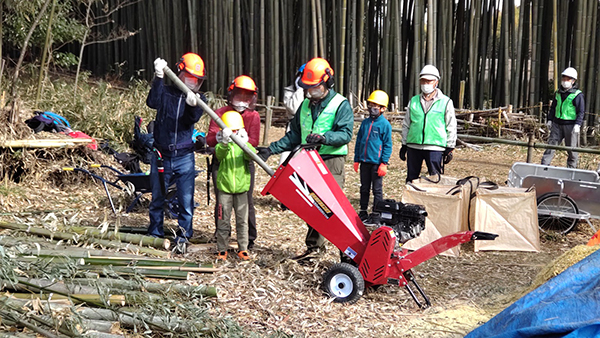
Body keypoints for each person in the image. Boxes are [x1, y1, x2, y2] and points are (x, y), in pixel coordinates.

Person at [256, 57, 354, 257]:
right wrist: (271, 149)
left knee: (331, 209)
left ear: (327, 82)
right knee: (314, 208)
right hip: (309, 161)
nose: (310, 91)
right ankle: (314, 249)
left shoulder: (340, 104)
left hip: (331, 161)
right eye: (308, 88)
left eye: (314, 87)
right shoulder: (305, 106)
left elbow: (345, 134)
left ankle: (348, 252)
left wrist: (324, 138)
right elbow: (294, 136)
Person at [146, 53, 205, 254]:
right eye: (189, 78)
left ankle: (183, 236)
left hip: (184, 157)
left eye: (196, 80)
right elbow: (152, 102)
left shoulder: (199, 99)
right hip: (161, 154)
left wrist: (192, 105)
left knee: (185, 201)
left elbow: (192, 120)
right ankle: (154, 234)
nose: (192, 83)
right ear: (179, 73)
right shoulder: (166, 93)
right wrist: (159, 76)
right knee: (157, 197)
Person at [206, 75, 260, 249]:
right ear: (231, 94)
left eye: (247, 97)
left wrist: (243, 141)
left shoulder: (253, 116)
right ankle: (222, 236)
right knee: (222, 201)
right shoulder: (220, 113)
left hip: (243, 163)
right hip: (222, 161)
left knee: (246, 201)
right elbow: (210, 139)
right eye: (239, 96)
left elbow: (254, 142)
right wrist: (220, 137)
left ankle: (249, 239)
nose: (243, 100)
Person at [399, 65, 457, 182]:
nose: (426, 84)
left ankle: (433, 200)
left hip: (435, 146)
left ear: (436, 82)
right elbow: (406, 124)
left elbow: (451, 125)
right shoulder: (414, 101)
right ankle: (410, 200)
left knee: (435, 179)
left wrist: (450, 147)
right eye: (423, 81)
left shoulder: (446, 102)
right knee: (411, 179)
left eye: (429, 81)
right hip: (413, 145)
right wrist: (404, 144)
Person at [214, 111, 256, 261]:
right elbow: (219, 155)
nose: (233, 132)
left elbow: (251, 156)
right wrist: (225, 142)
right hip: (224, 189)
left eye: (235, 130)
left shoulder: (243, 144)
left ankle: (243, 249)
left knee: (242, 220)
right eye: (229, 130)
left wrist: (245, 145)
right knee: (223, 219)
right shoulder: (221, 146)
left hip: (241, 189)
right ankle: (222, 249)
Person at [353, 90, 393, 226]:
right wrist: (356, 159)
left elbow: (388, 144)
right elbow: (359, 141)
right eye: (371, 105)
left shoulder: (385, 125)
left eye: (376, 105)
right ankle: (363, 211)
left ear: (383, 108)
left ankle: (376, 214)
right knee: (364, 188)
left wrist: (384, 163)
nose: (372, 108)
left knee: (377, 190)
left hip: (376, 163)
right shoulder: (365, 123)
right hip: (364, 162)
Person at [541, 67, 585, 169]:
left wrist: (578, 124)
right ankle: (544, 167)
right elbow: (553, 108)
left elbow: (581, 111)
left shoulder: (577, 95)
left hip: (570, 125)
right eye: (564, 78)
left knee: (572, 150)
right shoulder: (558, 93)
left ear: (573, 81)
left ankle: (571, 170)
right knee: (551, 146)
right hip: (557, 124)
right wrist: (550, 119)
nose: (565, 81)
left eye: (568, 79)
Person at [279, 64, 306, 166]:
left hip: (310, 128)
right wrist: (300, 90)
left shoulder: (315, 92)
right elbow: (293, 109)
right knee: (287, 159)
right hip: (293, 127)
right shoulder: (289, 91)